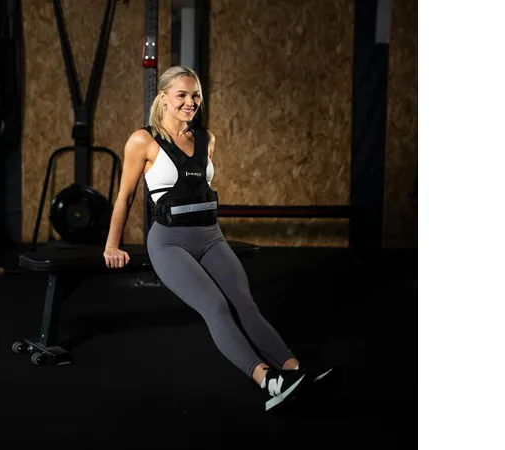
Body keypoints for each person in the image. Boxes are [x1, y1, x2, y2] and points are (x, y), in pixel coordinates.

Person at [102, 66, 333, 411]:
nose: (190, 102)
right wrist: (112, 245)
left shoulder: (206, 139)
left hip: (210, 237)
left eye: (195, 95)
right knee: (215, 306)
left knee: (245, 305)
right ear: (163, 98)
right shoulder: (143, 140)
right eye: (181, 95)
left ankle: (295, 372)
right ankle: (267, 380)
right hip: (169, 242)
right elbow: (125, 196)